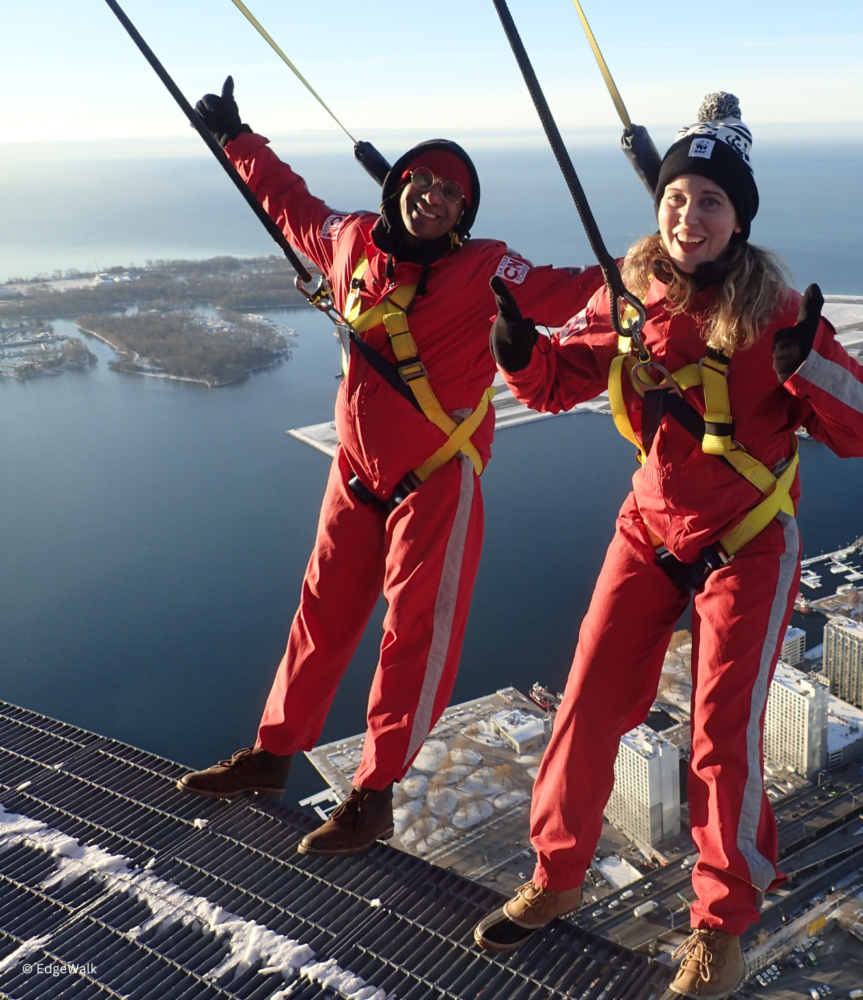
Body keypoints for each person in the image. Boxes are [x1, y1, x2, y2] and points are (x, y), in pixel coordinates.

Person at [473, 93, 863, 999]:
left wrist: (803, 365)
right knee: (585, 700)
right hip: (651, 527)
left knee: (720, 733)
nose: (688, 215)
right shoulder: (628, 297)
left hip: (747, 540)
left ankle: (720, 926)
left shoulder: (779, 313)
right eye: (676, 198)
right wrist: (517, 350)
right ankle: (556, 876)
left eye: (710, 200)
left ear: (738, 218)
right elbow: (554, 383)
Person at [175, 78, 604, 857]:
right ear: (398, 182)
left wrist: (657, 272)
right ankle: (273, 757)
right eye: (425, 182)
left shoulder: (488, 269)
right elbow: (287, 201)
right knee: (320, 615)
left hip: (438, 476)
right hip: (356, 474)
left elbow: (574, 291)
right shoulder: (346, 241)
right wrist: (237, 138)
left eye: (453, 195)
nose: (436, 199)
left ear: (463, 219)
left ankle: (374, 795)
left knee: (414, 637)